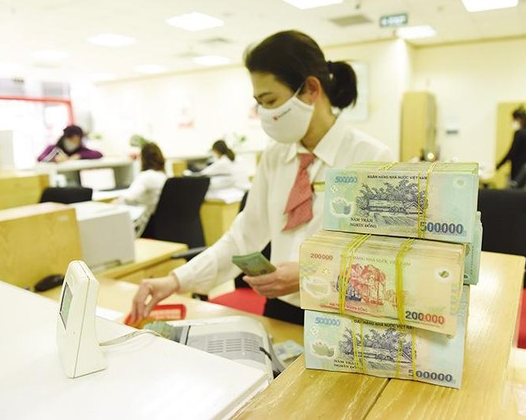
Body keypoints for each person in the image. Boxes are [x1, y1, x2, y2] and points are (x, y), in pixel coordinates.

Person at [129, 30, 393, 325]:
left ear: (311, 89)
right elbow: (243, 237)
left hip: (340, 313)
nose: (264, 114)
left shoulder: (371, 158)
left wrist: (309, 273)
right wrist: (176, 280)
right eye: (259, 103)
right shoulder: (276, 156)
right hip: (280, 309)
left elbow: (382, 262)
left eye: (270, 101)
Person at [116, 142, 168, 236]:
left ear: (143, 158)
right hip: (162, 225)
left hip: (147, 226)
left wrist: (110, 204)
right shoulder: (164, 176)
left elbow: (128, 197)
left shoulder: (146, 176)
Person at [496, 106, 526, 188]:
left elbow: (512, 152)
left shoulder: (519, 133)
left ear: (519, 120)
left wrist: (499, 165)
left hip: (519, 172)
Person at [37, 125, 103, 163]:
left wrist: (79, 155)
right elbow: (40, 158)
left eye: (77, 140)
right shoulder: (53, 148)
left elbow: (99, 154)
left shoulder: (80, 150)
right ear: (65, 138)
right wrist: (54, 159)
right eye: (72, 140)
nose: (74, 142)